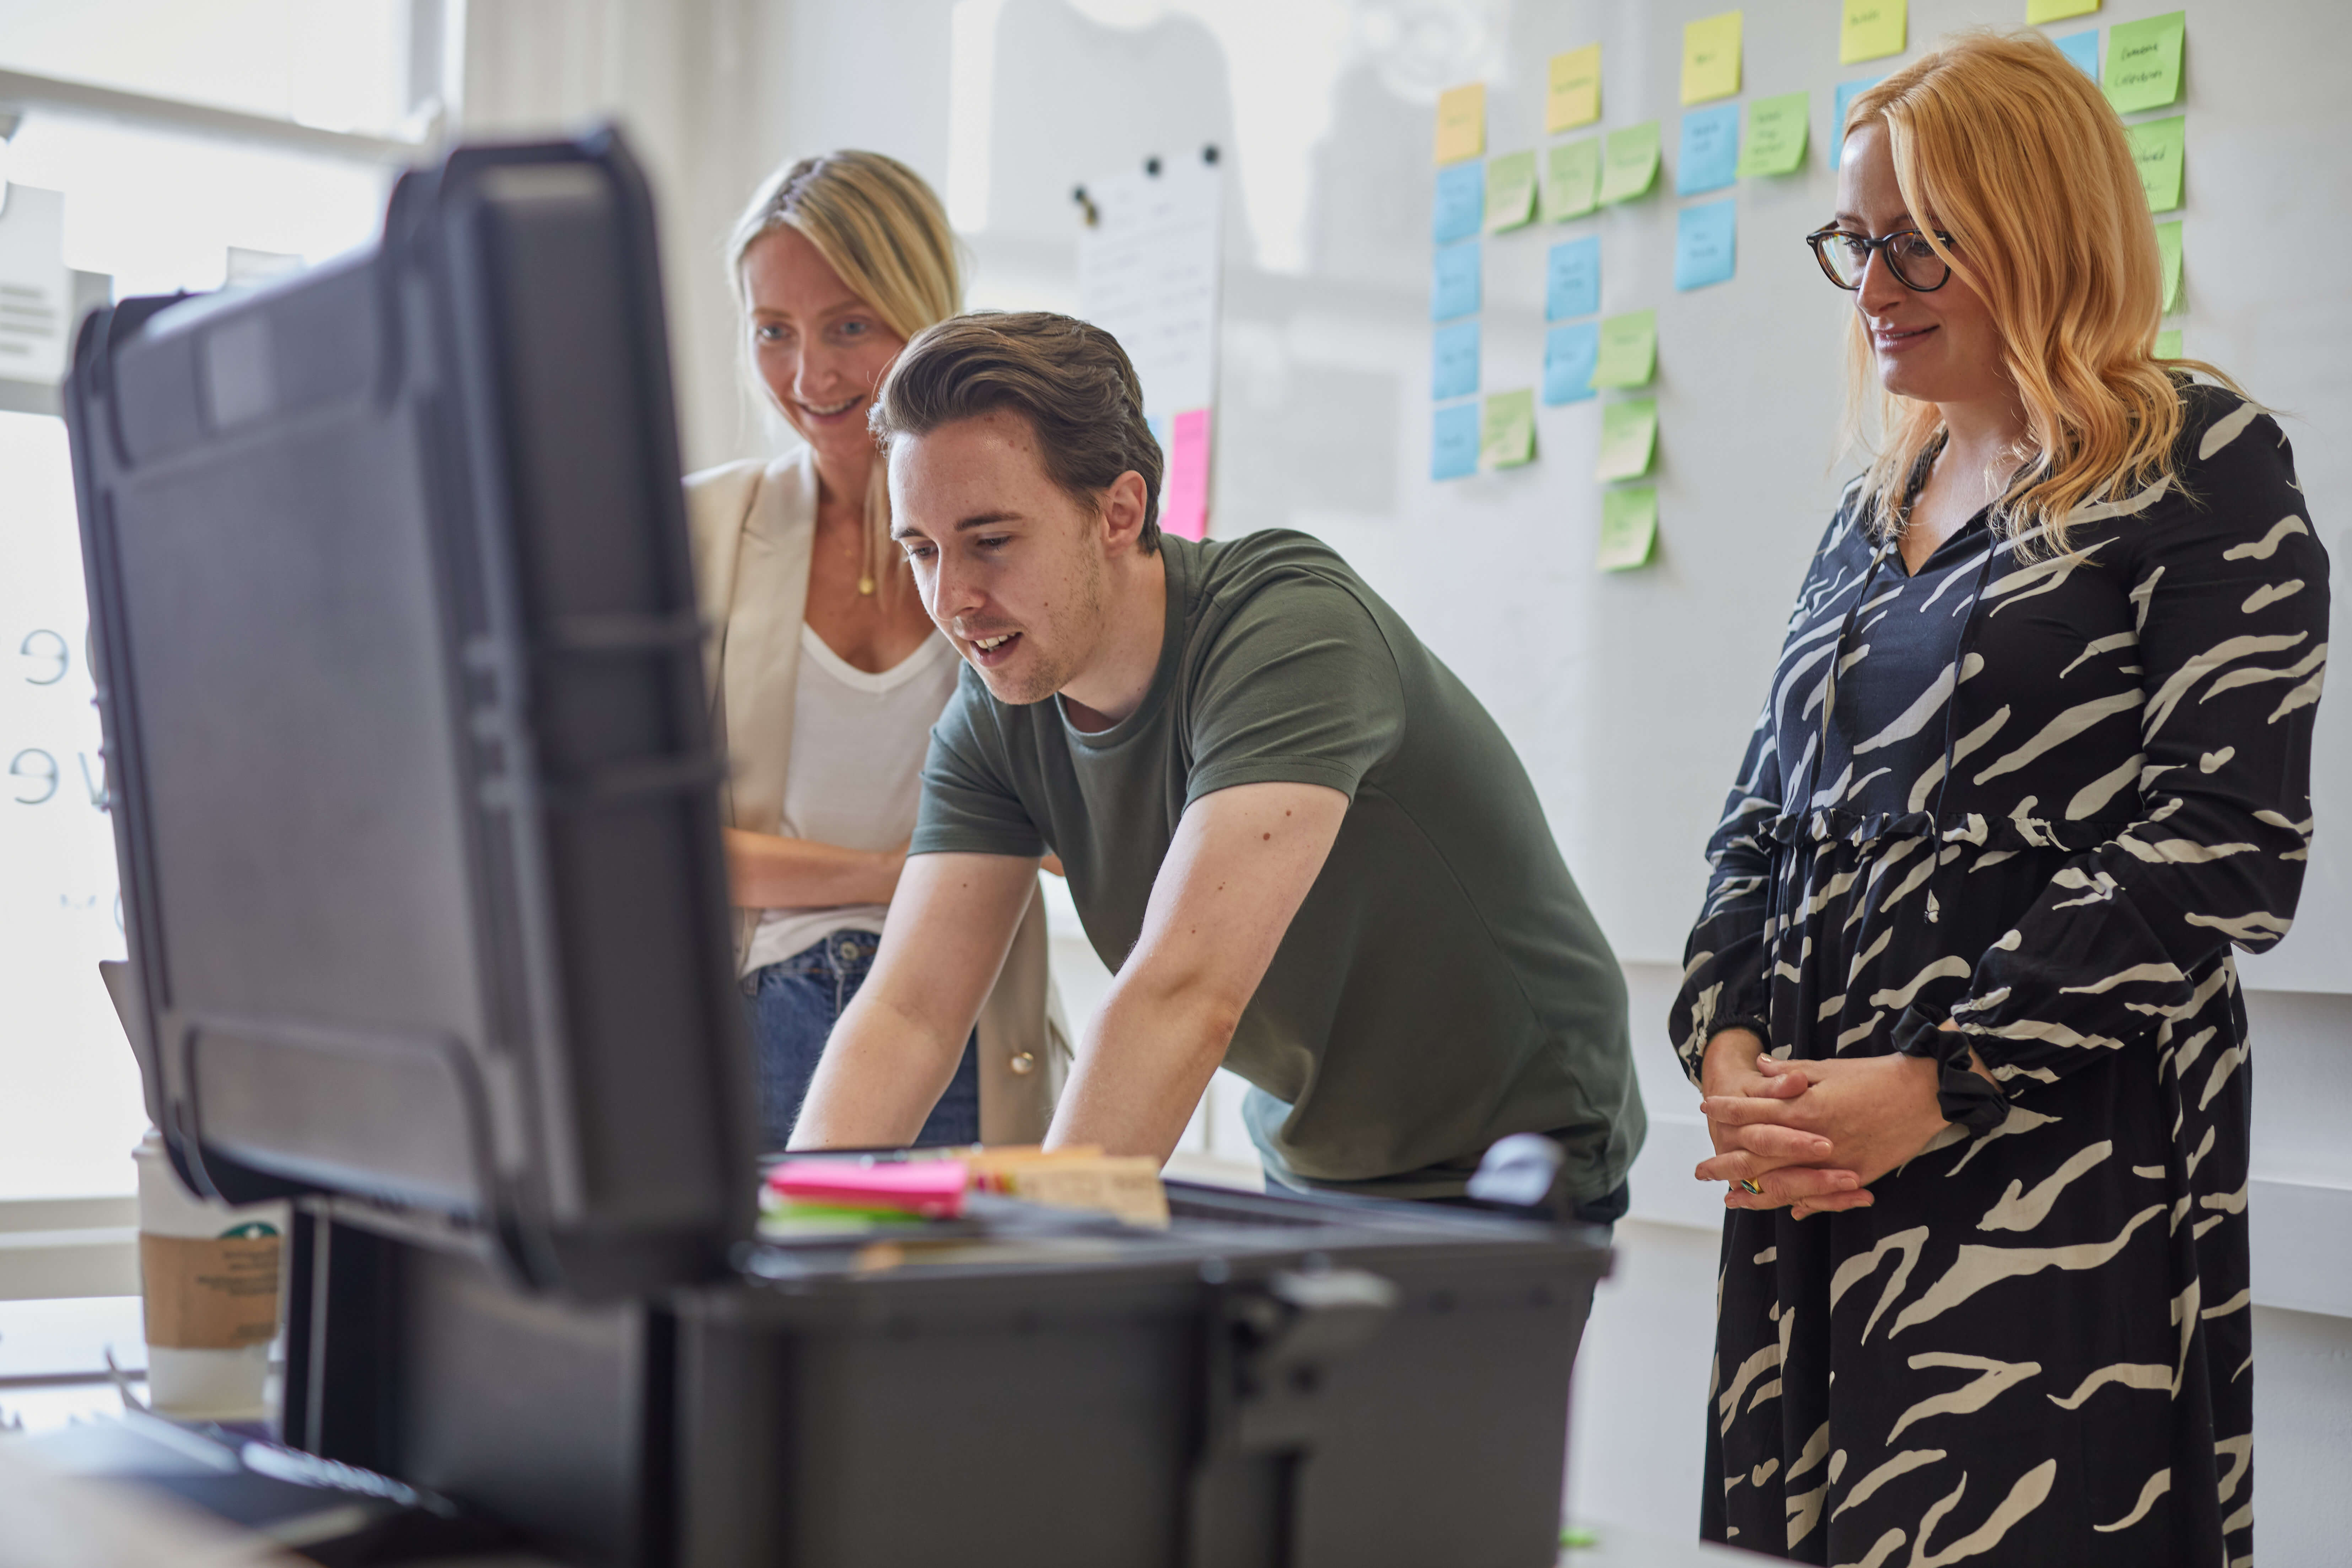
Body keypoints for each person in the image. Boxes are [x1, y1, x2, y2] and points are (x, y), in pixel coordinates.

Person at [1670, 32, 2326, 1566]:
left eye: (1919, 242)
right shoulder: (1872, 502)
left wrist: (1937, 1078)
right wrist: (1723, 1038)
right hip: (1817, 1156)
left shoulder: (2198, 463)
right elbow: (1762, 805)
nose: (1875, 284)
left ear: (2040, 232)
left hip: (2050, 1165)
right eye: (1855, 240)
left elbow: (2222, 847)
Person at [786, 309, 1643, 1214]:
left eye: (991, 540)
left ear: (1119, 510)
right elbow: (910, 1012)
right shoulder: (1001, 703)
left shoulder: (1287, 630)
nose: (952, 597)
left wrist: (1042, 1253)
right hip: (1315, 1149)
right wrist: (792, 1232)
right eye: (921, 549)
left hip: (1511, 1140)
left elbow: (1181, 992)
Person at [686, 151, 1067, 1153]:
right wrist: (899, 872)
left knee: (944, 1306)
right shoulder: (702, 529)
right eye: (773, 332)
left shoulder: (1024, 532)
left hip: (969, 1016)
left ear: (923, 312)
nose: (809, 377)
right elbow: (659, 845)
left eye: (849, 325)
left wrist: (928, 885)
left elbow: (1085, 817)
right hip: (755, 1018)